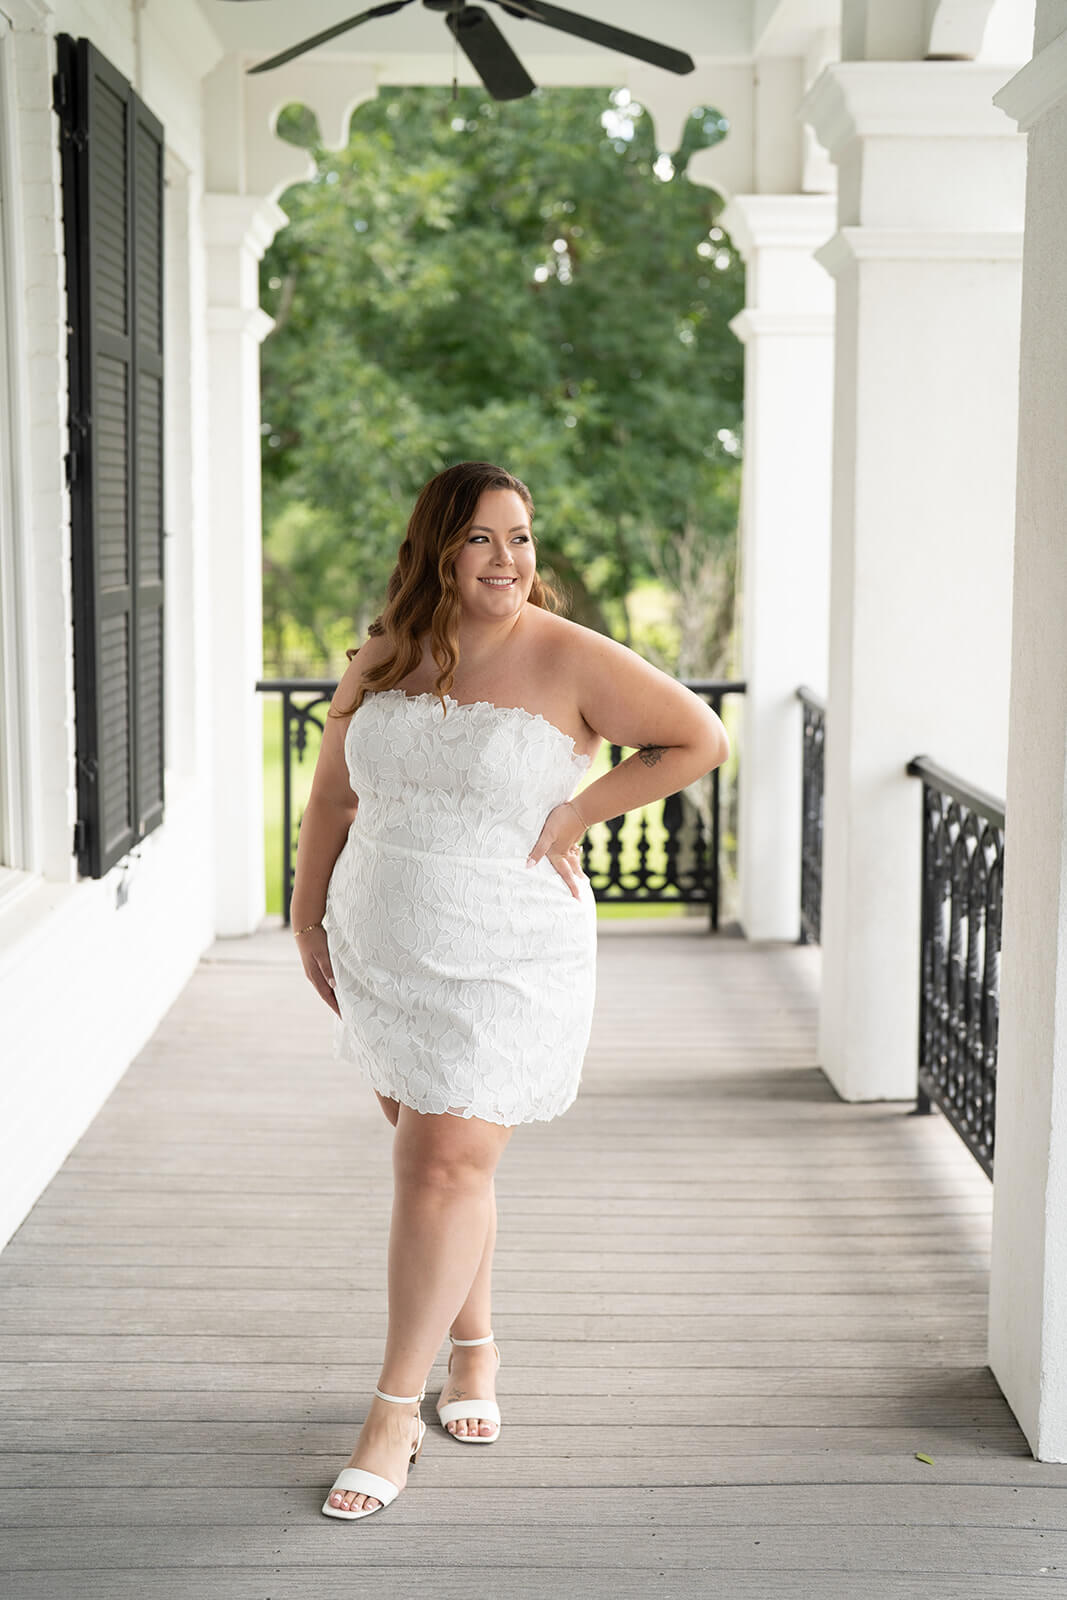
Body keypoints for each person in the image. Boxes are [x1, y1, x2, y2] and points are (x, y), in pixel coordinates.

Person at [291, 460, 728, 1521]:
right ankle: (473, 1348)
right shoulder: (387, 652)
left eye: (521, 538)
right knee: (442, 1161)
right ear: (437, 547)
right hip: (383, 942)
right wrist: (306, 919)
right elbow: (333, 795)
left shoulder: (568, 655)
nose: (508, 560)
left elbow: (696, 739)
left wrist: (578, 813)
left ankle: (393, 1412)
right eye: (483, 538)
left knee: (438, 1161)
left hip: (506, 952)